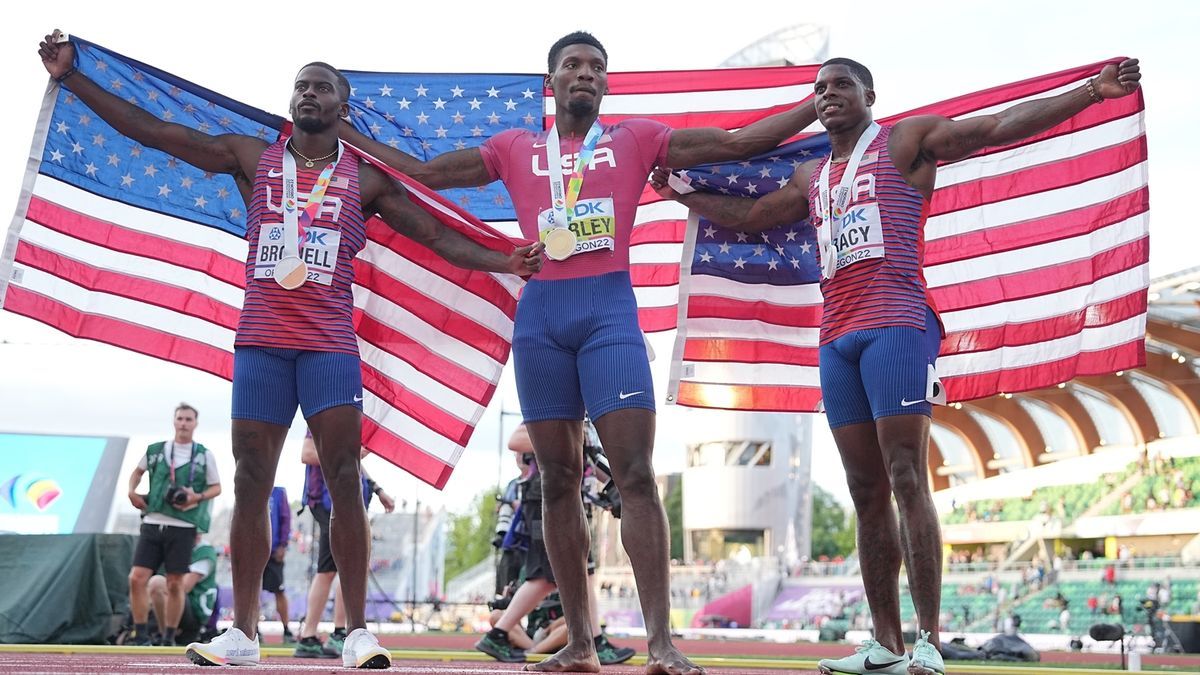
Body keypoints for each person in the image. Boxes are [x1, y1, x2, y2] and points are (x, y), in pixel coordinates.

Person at [37, 32, 541, 669]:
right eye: (301, 84)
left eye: (321, 85)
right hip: (261, 345)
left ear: (342, 108)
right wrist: (74, 78)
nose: (308, 92)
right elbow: (159, 133)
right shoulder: (252, 156)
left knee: (343, 481)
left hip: (329, 347)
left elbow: (439, 237)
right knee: (250, 482)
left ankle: (356, 633)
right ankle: (243, 634)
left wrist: (507, 260)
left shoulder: (368, 181)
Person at [342, 30, 817, 674]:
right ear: (553, 82)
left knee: (636, 476)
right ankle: (582, 645)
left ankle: (661, 644)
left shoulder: (637, 139)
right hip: (541, 320)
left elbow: (738, 144)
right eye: (573, 65)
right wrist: (348, 135)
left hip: (609, 317)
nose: (585, 74)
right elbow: (426, 174)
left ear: (606, 84)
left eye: (596, 67)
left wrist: (814, 104)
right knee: (559, 481)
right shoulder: (513, 147)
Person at [650, 56, 1141, 675]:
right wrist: (682, 194)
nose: (828, 96)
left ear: (870, 95)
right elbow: (751, 217)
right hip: (837, 336)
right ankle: (885, 643)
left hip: (899, 324)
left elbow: (995, 128)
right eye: (820, 88)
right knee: (864, 491)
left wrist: (1090, 94)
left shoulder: (905, 141)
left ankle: (929, 640)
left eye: (842, 86)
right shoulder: (811, 176)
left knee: (906, 473)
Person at [475, 424, 634, 666]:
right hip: (545, 498)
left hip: (571, 500)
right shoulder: (557, 412)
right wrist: (566, 433)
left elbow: (591, 458)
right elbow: (516, 441)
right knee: (545, 576)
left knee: (586, 571)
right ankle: (498, 634)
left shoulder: (584, 420)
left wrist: (616, 487)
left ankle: (595, 640)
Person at [123, 403, 221, 647]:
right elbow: (137, 471)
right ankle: (141, 634)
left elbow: (217, 487)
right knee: (137, 577)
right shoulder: (156, 450)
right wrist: (132, 491)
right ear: (174, 421)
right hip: (153, 519)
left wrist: (195, 496)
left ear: (195, 423)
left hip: (183, 524)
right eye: (180, 419)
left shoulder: (203, 454)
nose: (184, 423)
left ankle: (168, 637)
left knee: (175, 582)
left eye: (189, 419)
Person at [294, 431, 396, 659]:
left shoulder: (348, 417)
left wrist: (378, 489)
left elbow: (353, 462)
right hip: (329, 499)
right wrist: (349, 454)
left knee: (337, 567)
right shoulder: (324, 418)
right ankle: (333, 633)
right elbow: (307, 453)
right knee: (340, 567)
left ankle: (319, 634)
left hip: (343, 500)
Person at [147, 533, 219, 646]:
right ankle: (161, 634)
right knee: (152, 587)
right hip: (178, 603)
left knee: (157, 583)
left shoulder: (204, 552)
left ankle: (166, 635)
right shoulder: (171, 547)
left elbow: (184, 587)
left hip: (195, 611)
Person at [263, 485, 294, 643]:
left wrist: (283, 544)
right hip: (255, 550)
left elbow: (286, 518)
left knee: (279, 591)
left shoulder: (279, 492)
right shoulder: (251, 486)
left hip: (274, 550)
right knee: (252, 591)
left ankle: (286, 629)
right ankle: (251, 629)